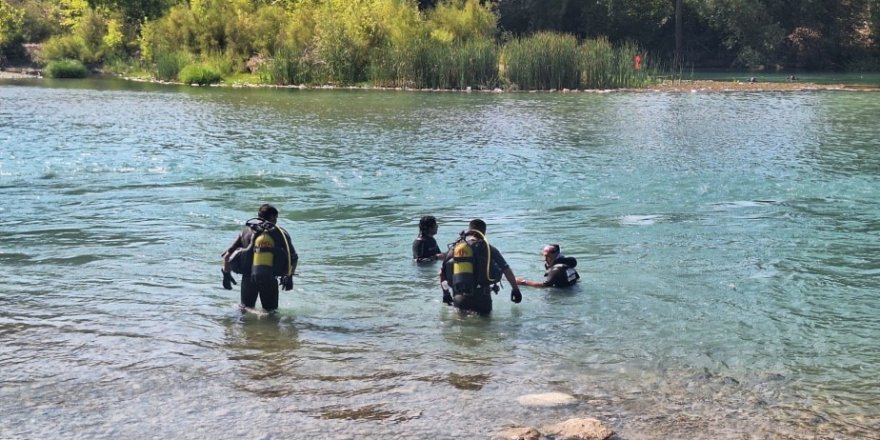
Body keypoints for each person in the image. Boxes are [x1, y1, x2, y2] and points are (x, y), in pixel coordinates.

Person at [221, 204, 298, 312]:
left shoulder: (245, 232)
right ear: (272, 217)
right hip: (270, 280)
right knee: (271, 313)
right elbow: (294, 258)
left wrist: (226, 274)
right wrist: (289, 276)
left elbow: (227, 255)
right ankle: (269, 329)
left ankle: (246, 328)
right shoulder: (280, 233)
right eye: (276, 217)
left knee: (245, 310)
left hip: (248, 279)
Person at [439, 219, 522, 315]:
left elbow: (442, 273)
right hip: (482, 299)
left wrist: (445, 293)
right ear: (484, 232)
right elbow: (506, 270)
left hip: (460, 298)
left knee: (461, 327)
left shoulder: (456, 248)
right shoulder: (488, 248)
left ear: (469, 230)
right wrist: (515, 290)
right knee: (486, 328)